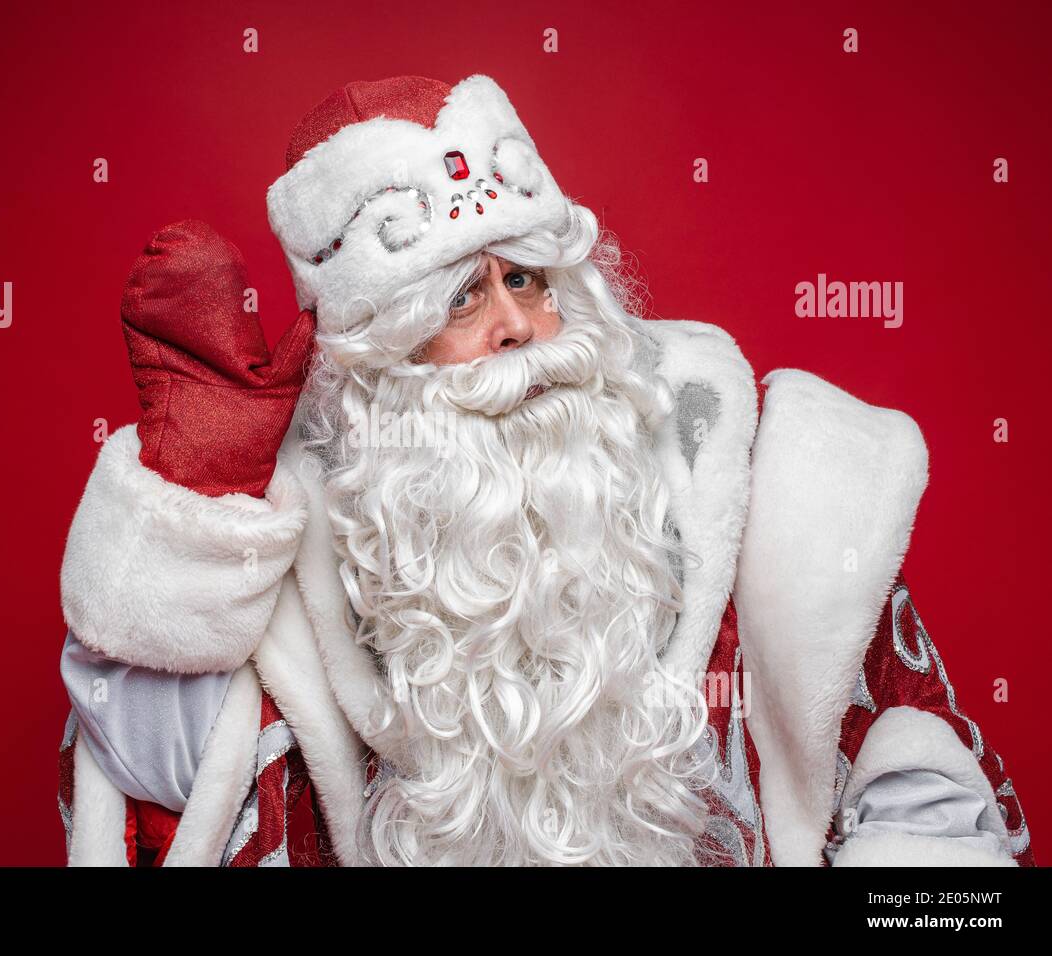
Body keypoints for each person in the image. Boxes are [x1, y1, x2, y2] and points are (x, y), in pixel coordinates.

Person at [56, 73, 1034, 867]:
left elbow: (923, 782)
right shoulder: (328, 566)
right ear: (381, 372)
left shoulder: (769, 485)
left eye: (524, 278)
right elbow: (155, 777)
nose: (515, 325)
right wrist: (197, 494)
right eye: (457, 302)